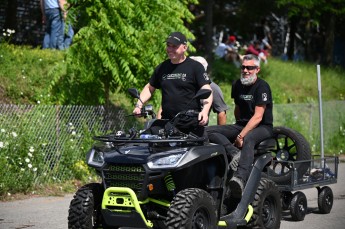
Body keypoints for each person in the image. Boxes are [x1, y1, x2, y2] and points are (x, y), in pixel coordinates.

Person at [206, 54, 273, 198]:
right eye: (243, 67)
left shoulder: (262, 87)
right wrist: (237, 130)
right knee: (207, 131)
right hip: (241, 124)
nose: (246, 70)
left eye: (250, 68)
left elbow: (258, 117)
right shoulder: (237, 84)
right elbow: (237, 108)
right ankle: (234, 153)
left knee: (249, 139)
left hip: (262, 127)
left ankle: (240, 179)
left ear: (257, 69)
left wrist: (241, 135)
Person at [133, 32, 213, 135]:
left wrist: (205, 112)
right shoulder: (161, 68)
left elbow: (207, 91)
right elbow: (149, 88)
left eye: (174, 46)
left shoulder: (195, 67)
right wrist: (138, 105)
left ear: (184, 47)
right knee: (144, 139)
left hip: (189, 122)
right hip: (167, 122)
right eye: (168, 46)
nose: (170, 49)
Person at [157, 56, 229, 125]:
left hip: (195, 125)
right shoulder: (180, 83)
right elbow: (165, 104)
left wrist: (220, 131)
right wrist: (160, 123)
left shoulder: (212, 87)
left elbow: (221, 112)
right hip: (171, 122)